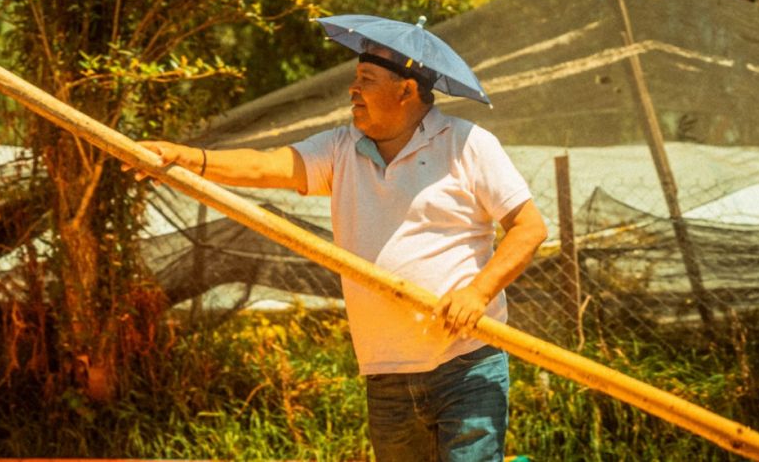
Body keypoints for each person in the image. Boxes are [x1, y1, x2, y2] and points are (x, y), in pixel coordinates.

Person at [126, 43, 548, 461]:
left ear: (406, 91)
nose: (352, 89)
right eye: (355, 78)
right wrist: (184, 158)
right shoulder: (340, 148)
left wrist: (477, 293)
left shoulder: (465, 143)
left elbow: (529, 228)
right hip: (386, 371)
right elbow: (263, 166)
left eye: (366, 80)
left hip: (466, 363)